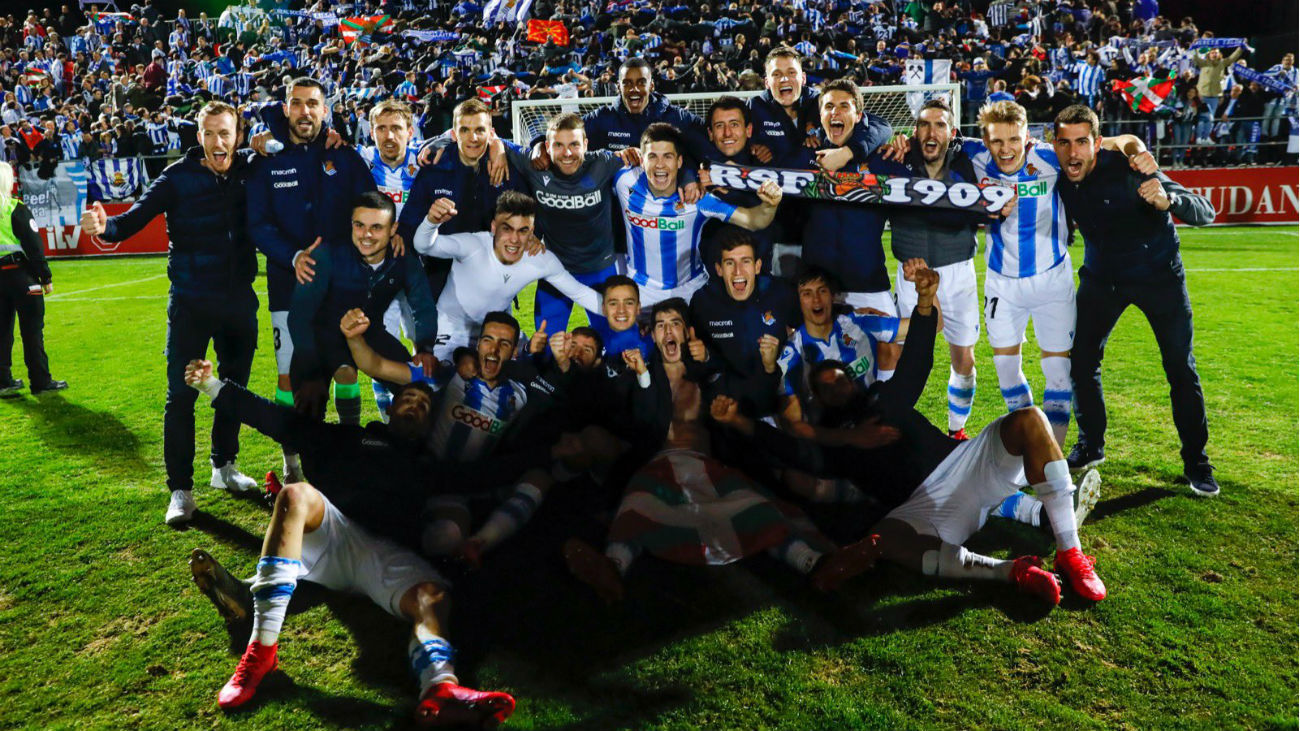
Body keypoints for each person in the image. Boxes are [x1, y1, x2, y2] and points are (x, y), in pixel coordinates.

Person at [710, 260, 1108, 606]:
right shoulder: (829, 442)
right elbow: (789, 448)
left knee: (1030, 418)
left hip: (962, 464)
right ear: (818, 398)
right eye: (826, 386)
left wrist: (923, 304)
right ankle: (1011, 571)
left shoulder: (883, 399)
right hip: (924, 507)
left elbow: (916, 364)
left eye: (841, 380)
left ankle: (1069, 553)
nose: (837, 387)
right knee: (883, 539)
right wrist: (740, 423)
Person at [181, 361, 516, 726]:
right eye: (409, 397)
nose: (416, 405)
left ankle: (440, 687)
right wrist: (213, 386)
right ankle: (261, 652)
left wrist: (557, 453)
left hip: (386, 556)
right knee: (296, 495)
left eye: (424, 405)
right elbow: (278, 419)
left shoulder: (430, 467)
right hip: (335, 532)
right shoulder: (348, 437)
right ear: (391, 407)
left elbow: (489, 474)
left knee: (433, 597)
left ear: (429, 423)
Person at [561, 298, 880, 603]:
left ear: (687, 332)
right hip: (659, 466)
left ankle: (817, 564)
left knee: (760, 510)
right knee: (635, 506)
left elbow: (751, 395)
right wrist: (637, 376)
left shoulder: (706, 370)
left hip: (707, 466)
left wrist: (763, 368)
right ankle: (612, 569)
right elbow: (632, 418)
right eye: (660, 325)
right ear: (652, 334)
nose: (668, 330)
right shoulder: (639, 372)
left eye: (675, 323)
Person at [80, 101, 253, 525]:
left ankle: (223, 466)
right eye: (210, 133)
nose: (218, 141)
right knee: (181, 396)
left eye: (225, 133)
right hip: (191, 303)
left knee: (233, 388)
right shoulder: (176, 177)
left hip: (238, 301)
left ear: (238, 136)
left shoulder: (249, 168)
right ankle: (180, 490)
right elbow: (132, 219)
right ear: (199, 137)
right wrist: (105, 227)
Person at [957, 100, 1150, 446]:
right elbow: (930, 139)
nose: (1006, 149)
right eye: (997, 141)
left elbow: (1111, 142)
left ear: (1026, 137)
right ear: (985, 140)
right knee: (1005, 372)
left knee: (1059, 372)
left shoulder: (1050, 157)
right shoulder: (974, 157)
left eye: (1014, 140)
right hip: (1002, 283)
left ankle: (1052, 457)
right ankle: (1034, 441)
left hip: (1053, 281)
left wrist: (1136, 146)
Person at [1052, 105, 1220, 496]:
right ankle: (1091, 445)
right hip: (1101, 279)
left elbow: (1205, 212)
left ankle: (1197, 462)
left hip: (1158, 277)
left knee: (1180, 367)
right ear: (1054, 144)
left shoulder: (1131, 168)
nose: (1073, 153)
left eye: (1082, 142)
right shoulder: (1056, 172)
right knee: (1081, 360)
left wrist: (1168, 202)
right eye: (1064, 143)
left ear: (1097, 144)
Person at [246, 77, 377, 481]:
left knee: (346, 369)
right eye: (297, 104)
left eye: (313, 104)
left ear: (326, 109)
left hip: (340, 286)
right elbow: (258, 224)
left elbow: (371, 208)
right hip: (287, 283)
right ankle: (292, 463)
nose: (305, 111)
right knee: (289, 374)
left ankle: (351, 449)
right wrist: (293, 255)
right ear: (286, 109)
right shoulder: (265, 160)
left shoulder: (346, 156)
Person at [871, 99, 988, 439]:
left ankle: (957, 430)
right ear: (915, 130)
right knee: (901, 353)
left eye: (939, 125)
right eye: (924, 124)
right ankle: (891, 426)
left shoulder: (969, 161)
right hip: (912, 273)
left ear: (952, 133)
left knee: (963, 360)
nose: (931, 131)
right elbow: (867, 141)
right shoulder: (897, 160)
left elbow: (1005, 140)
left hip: (959, 273)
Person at [287, 192, 438, 426]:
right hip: (321, 338)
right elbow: (299, 318)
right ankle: (301, 460)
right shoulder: (326, 256)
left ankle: (398, 451)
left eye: (377, 227)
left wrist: (425, 347)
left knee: (417, 392)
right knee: (308, 403)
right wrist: (311, 371)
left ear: (392, 229)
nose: (366, 235)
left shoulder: (403, 260)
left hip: (370, 335)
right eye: (359, 225)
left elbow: (423, 305)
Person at [413, 191, 602, 362]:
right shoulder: (473, 245)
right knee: (436, 381)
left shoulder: (540, 260)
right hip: (450, 327)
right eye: (507, 229)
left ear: (532, 231)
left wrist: (622, 313)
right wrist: (431, 222)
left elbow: (579, 293)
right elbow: (423, 246)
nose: (514, 239)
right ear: (494, 227)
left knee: (522, 382)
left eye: (523, 231)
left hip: (498, 331)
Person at [615, 123, 783, 307]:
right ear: (642, 160)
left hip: (690, 290)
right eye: (652, 156)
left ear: (679, 162)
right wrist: (620, 153)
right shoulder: (624, 180)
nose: (660, 164)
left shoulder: (697, 199)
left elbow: (753, 221)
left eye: (668, 156)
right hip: (640, 290)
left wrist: (769, 205)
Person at [0, 160, 64, 399]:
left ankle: (3, 381)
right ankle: (40, 381)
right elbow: (34, 246)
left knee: (1, 332)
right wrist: (45, 277)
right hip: (21, 276)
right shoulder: (15, 208)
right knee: (32, 330)